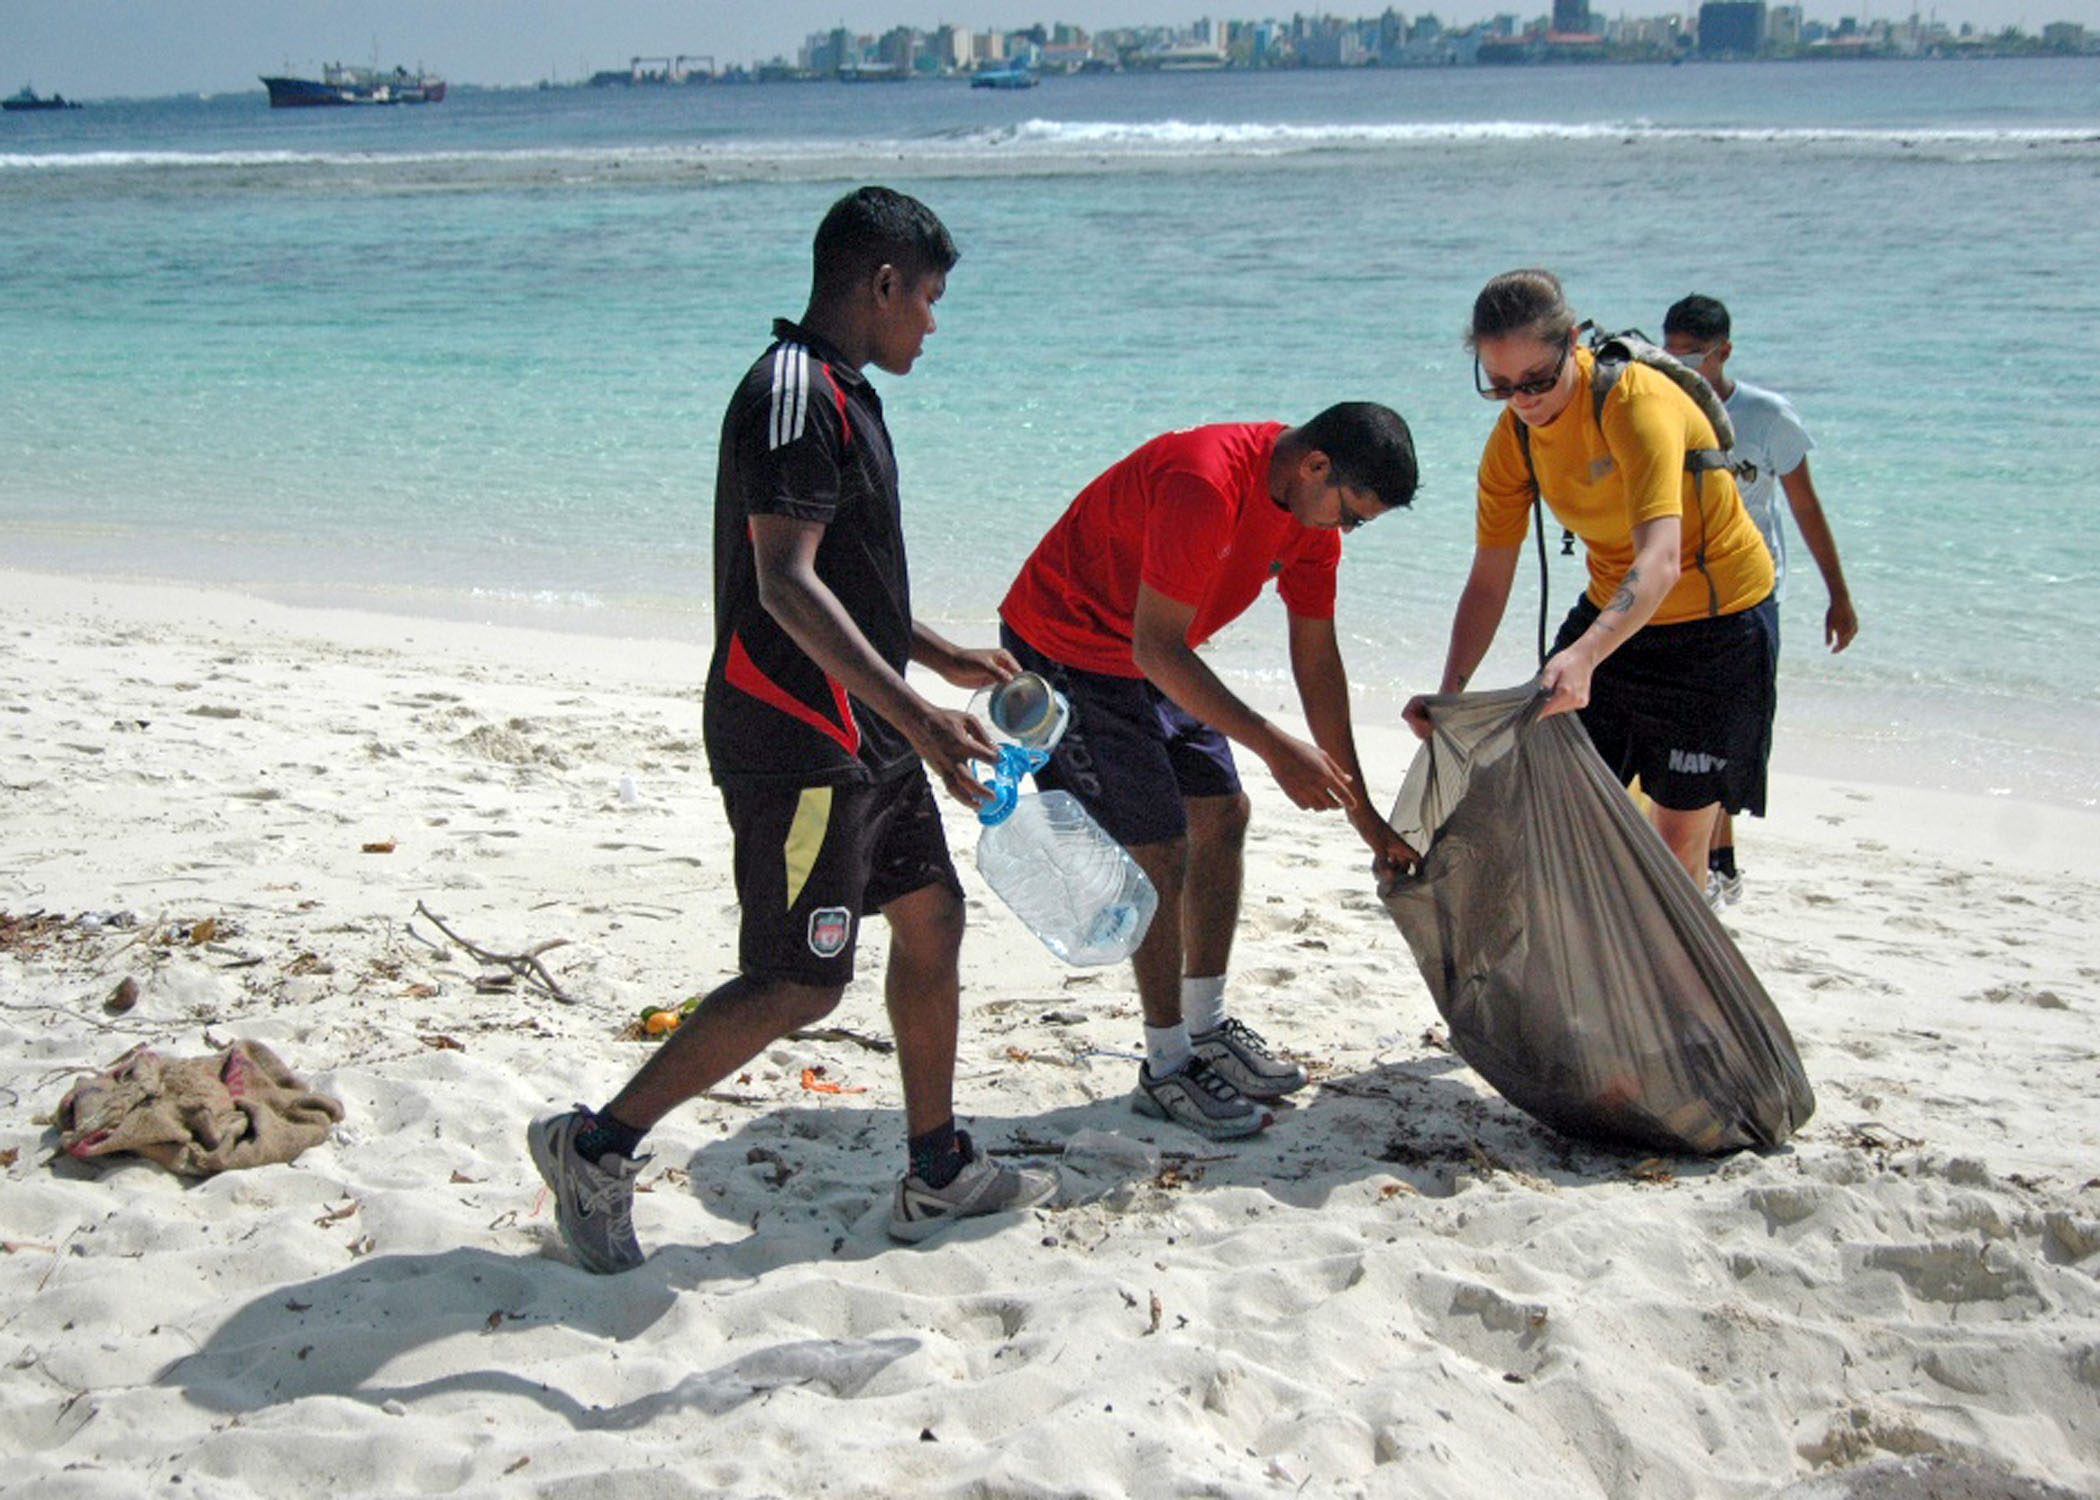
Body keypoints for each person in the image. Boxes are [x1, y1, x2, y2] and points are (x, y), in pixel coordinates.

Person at [528, 187, 1057, 1273]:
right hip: (797, 734)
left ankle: (938, 1164)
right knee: (800, 982)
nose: (933, 324)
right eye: (929, 299)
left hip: (867, 728)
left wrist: (939, 654)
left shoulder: (845, 393)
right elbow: (782, 586)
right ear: (880, 285)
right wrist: (921, 714)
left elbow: (844, 583)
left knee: (932, 916)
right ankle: (594, 1144)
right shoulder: (790, 393)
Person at [998, 407, 1421, 1140]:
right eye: (1350, 516)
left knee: (1224, 814)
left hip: (1152, 649)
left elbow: (1316, 658)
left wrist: (1367, 819)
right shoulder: (1206, 482)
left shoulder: (1310, 518)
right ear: (1315, 466)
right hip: (1069, 644)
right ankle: (1165, 1066)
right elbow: (1158, 649)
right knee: (1158, 848)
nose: (1343, 534)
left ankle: (1206, 1026)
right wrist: (1272, 744)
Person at [1405, 268, 1777, 895]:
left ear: (1572, 341)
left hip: (1717, 629)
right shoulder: (1514, 440)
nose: (1523, 401)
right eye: (1500, 387)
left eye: (1538, 381)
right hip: (1613, 621)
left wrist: (1583, 656)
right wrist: (1450, 696)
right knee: (1544, 799)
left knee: (1676, 841)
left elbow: (1660, 560)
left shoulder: (1634, 405)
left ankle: (1663, 980)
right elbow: (1490, 578)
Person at [1661, 293, 1860, 907]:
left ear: (1724, 350)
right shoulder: (1659, 408)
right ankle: (1712, 858)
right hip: (1680, 593)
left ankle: (1721, 857)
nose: (1683, 365)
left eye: (1693, 354)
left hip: (1752, 593)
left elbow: (1804, 506)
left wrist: (1839, 595)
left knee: (1733, 730)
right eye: (1672, 354)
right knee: (1684, 737)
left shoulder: (1767, 415)